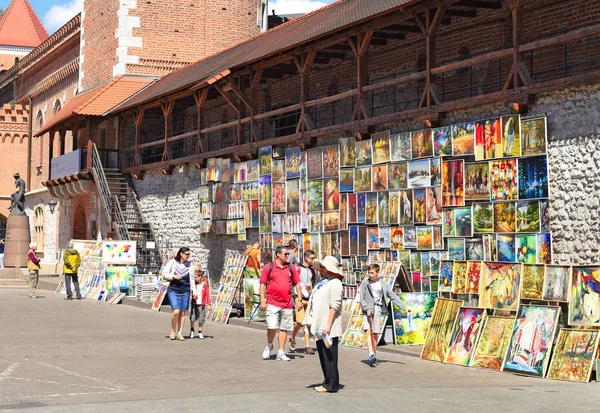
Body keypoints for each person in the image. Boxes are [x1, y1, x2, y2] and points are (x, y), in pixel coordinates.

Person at [304, 255, 344, 393]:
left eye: (324, 267)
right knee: (324, 355)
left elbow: (335, 306)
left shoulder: (335, 283)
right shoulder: (324, 282)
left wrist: (328, 325)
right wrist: (310, 292)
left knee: (329, 356)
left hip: (327, 326)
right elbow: (318, 300)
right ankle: (330, 380)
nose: (321, 269)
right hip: (320, 325)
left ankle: (331, 384)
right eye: (320, 267)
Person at [259, 246, 301, 361]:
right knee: (272, 326)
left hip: (287, 303)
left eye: (288, 254)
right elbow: (262, 284)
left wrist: (299, 300)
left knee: (284, 327)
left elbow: (297, 283)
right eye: (285, 254)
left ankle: (280, 352)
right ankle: (269, 345)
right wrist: (263, 300)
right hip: (272, 302)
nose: (287, 256)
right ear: (278, 254)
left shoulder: (290, 268)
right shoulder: (269, 267)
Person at [359, 263, 406, 367]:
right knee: (368, 331)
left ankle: (373, 355)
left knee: (375, 333)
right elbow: (361, 298)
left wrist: (402, 306)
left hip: (378, 308)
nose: (370, 275)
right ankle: (371, 354)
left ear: (377, 272)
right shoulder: (365, 283)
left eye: (372, 273)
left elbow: (392, 295)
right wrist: (367, 309)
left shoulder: (383, 284)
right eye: (369, 273)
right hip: (367, 309)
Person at [162, 247, 195, 341]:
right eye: (187, 254)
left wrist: (194, 291)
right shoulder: (172, 262)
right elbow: (164, 274)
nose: (188, 256)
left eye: (189, 254)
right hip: (173, 289)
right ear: (181, 254)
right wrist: (173, 276)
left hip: (185, 290)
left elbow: (192, 278)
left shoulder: (190, 265)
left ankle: (180, 333)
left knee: (183, 312)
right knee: (176, 311)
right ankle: (172, 330)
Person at [290, 249, 317, 354]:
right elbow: (293, 284)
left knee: (307, 323)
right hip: (299, 297)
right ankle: (292, 338)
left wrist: (311, 291)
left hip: (308, 297)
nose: (313, 260)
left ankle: (307, 345)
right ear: (306, 258)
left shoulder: (312, 270)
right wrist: (296, 297)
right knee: (300, 321)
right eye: (312, 258)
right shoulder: (298, 269)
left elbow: (313, 282)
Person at [190, 268, 212, 339]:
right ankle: (192, 330)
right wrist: (191, 296)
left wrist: (209, 304)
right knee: (193, 317)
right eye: (194, 277)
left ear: (200, 277)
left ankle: (200, 331)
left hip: (201, 304)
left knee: (201, 318)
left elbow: (207, 294)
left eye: (195, 277)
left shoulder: (204, 285)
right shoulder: (193, 285)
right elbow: (190, 292)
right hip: (194, 303)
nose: (194, 279)